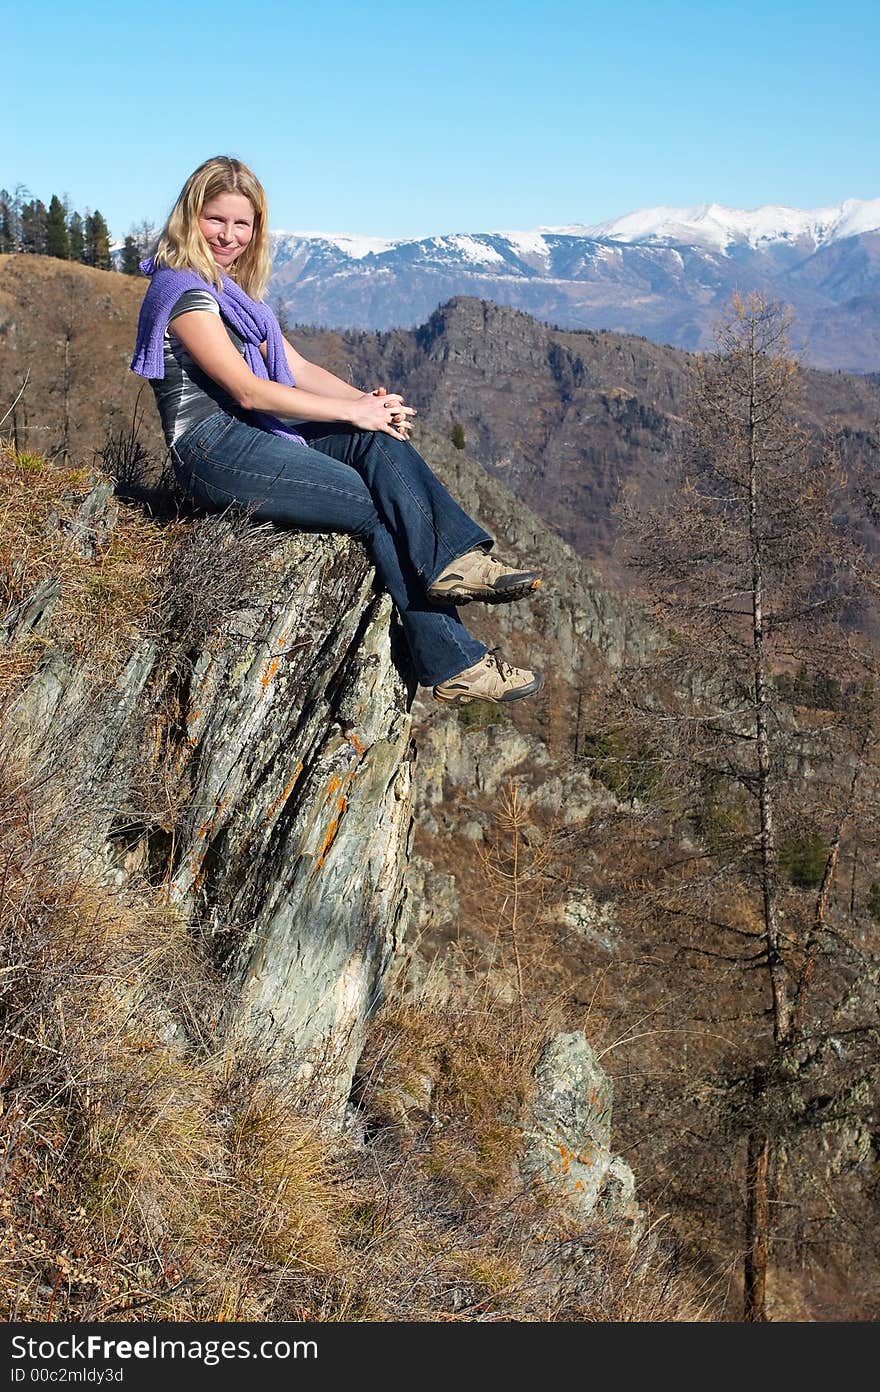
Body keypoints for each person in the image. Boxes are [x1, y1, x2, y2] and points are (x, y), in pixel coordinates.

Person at [131, 155, 543, 705]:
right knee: (374, 506)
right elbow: (248, 391)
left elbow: (296, 368)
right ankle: (455, 660)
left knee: (376, 442)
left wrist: (364, 403)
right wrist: (351, 413)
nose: (229, 235)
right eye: (216, 220)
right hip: (214, 449)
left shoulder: (236, 296)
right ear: (190, 218)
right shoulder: (184, 292)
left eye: (241, 223)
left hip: (255, 433)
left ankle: (454, 562)